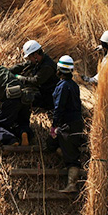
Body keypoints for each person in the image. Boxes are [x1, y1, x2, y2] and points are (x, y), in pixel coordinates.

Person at [46, 55, 84, 193]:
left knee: (72, 158)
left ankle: (72, 184)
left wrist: (54, 126)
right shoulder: (73, 85)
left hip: (67, 126)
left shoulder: (63, 86)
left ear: (59, 70)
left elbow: (59, 107)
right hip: (75, 123)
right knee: (50, 144)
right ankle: (67, 156)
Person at [10, 40, 59, 110]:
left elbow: (35, 81)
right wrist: (8, 70)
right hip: (43, 90)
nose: (29, 59)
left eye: (30, 57)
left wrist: (19, 78)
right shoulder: (40, 59)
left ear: (35, 55)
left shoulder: (47, 66)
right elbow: (23, 65)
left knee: (24, 96)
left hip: (50, 96)